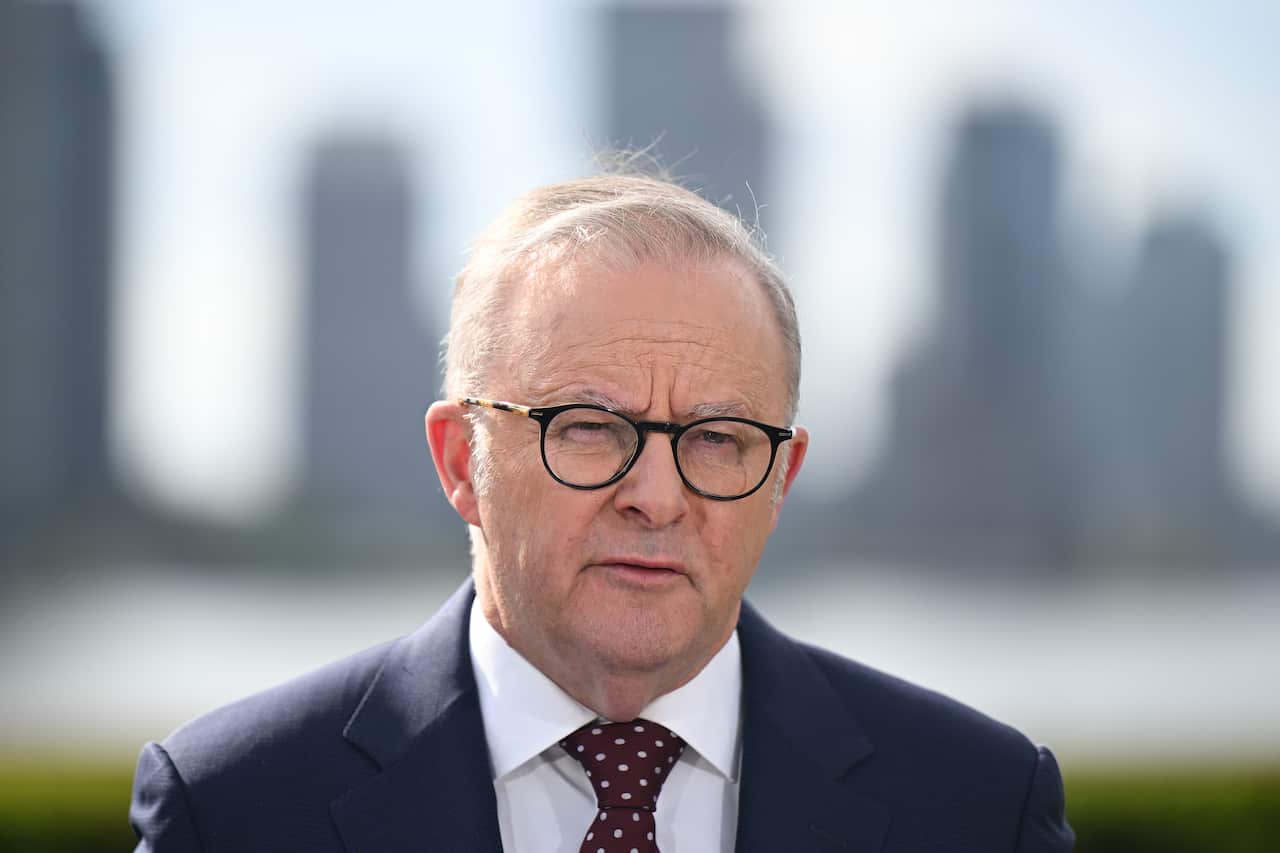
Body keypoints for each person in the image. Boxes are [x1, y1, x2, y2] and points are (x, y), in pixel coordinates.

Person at [130, 172, 1074, 852]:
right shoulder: (233, 810)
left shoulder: (980, 806)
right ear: (462, 462)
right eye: (588, 428)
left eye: (718, 439)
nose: (656, 497)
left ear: (780, 478)